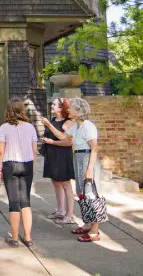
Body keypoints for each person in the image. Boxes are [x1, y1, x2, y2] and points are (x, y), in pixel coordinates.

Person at [42, 97, 101, 243]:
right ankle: (87, 224)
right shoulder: (76, 126)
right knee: (81, 194)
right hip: (78, 158)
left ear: (79, 111)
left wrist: (90, 169)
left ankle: (95, 231)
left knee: (90, 194)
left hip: (87, 159)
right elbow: (62, 136)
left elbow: (94, 148)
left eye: (72, 108)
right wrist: (49, 125)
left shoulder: (88, 125)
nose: (69, 110)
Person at [0, 98, 38, 247]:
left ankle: (14, 238)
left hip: (10, 164)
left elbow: (1, 151)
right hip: (26, 164)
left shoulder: (4, 128)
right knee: (25, 201)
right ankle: (28, 237)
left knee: (13, 202)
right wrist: (32, 169)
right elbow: (34, 151)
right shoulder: (30, 127)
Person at [41, 97, 75, 224]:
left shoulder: (68, 123)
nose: (51, 106)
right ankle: (60, 210)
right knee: (55, 182)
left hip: (63, 155)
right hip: (52, 154)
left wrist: (52, 142)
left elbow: (68, 142)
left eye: (54, 104)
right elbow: (50, 135)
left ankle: (69, 215)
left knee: (66, 184)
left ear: (61, 108)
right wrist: (45, 140)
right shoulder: (53, 120)